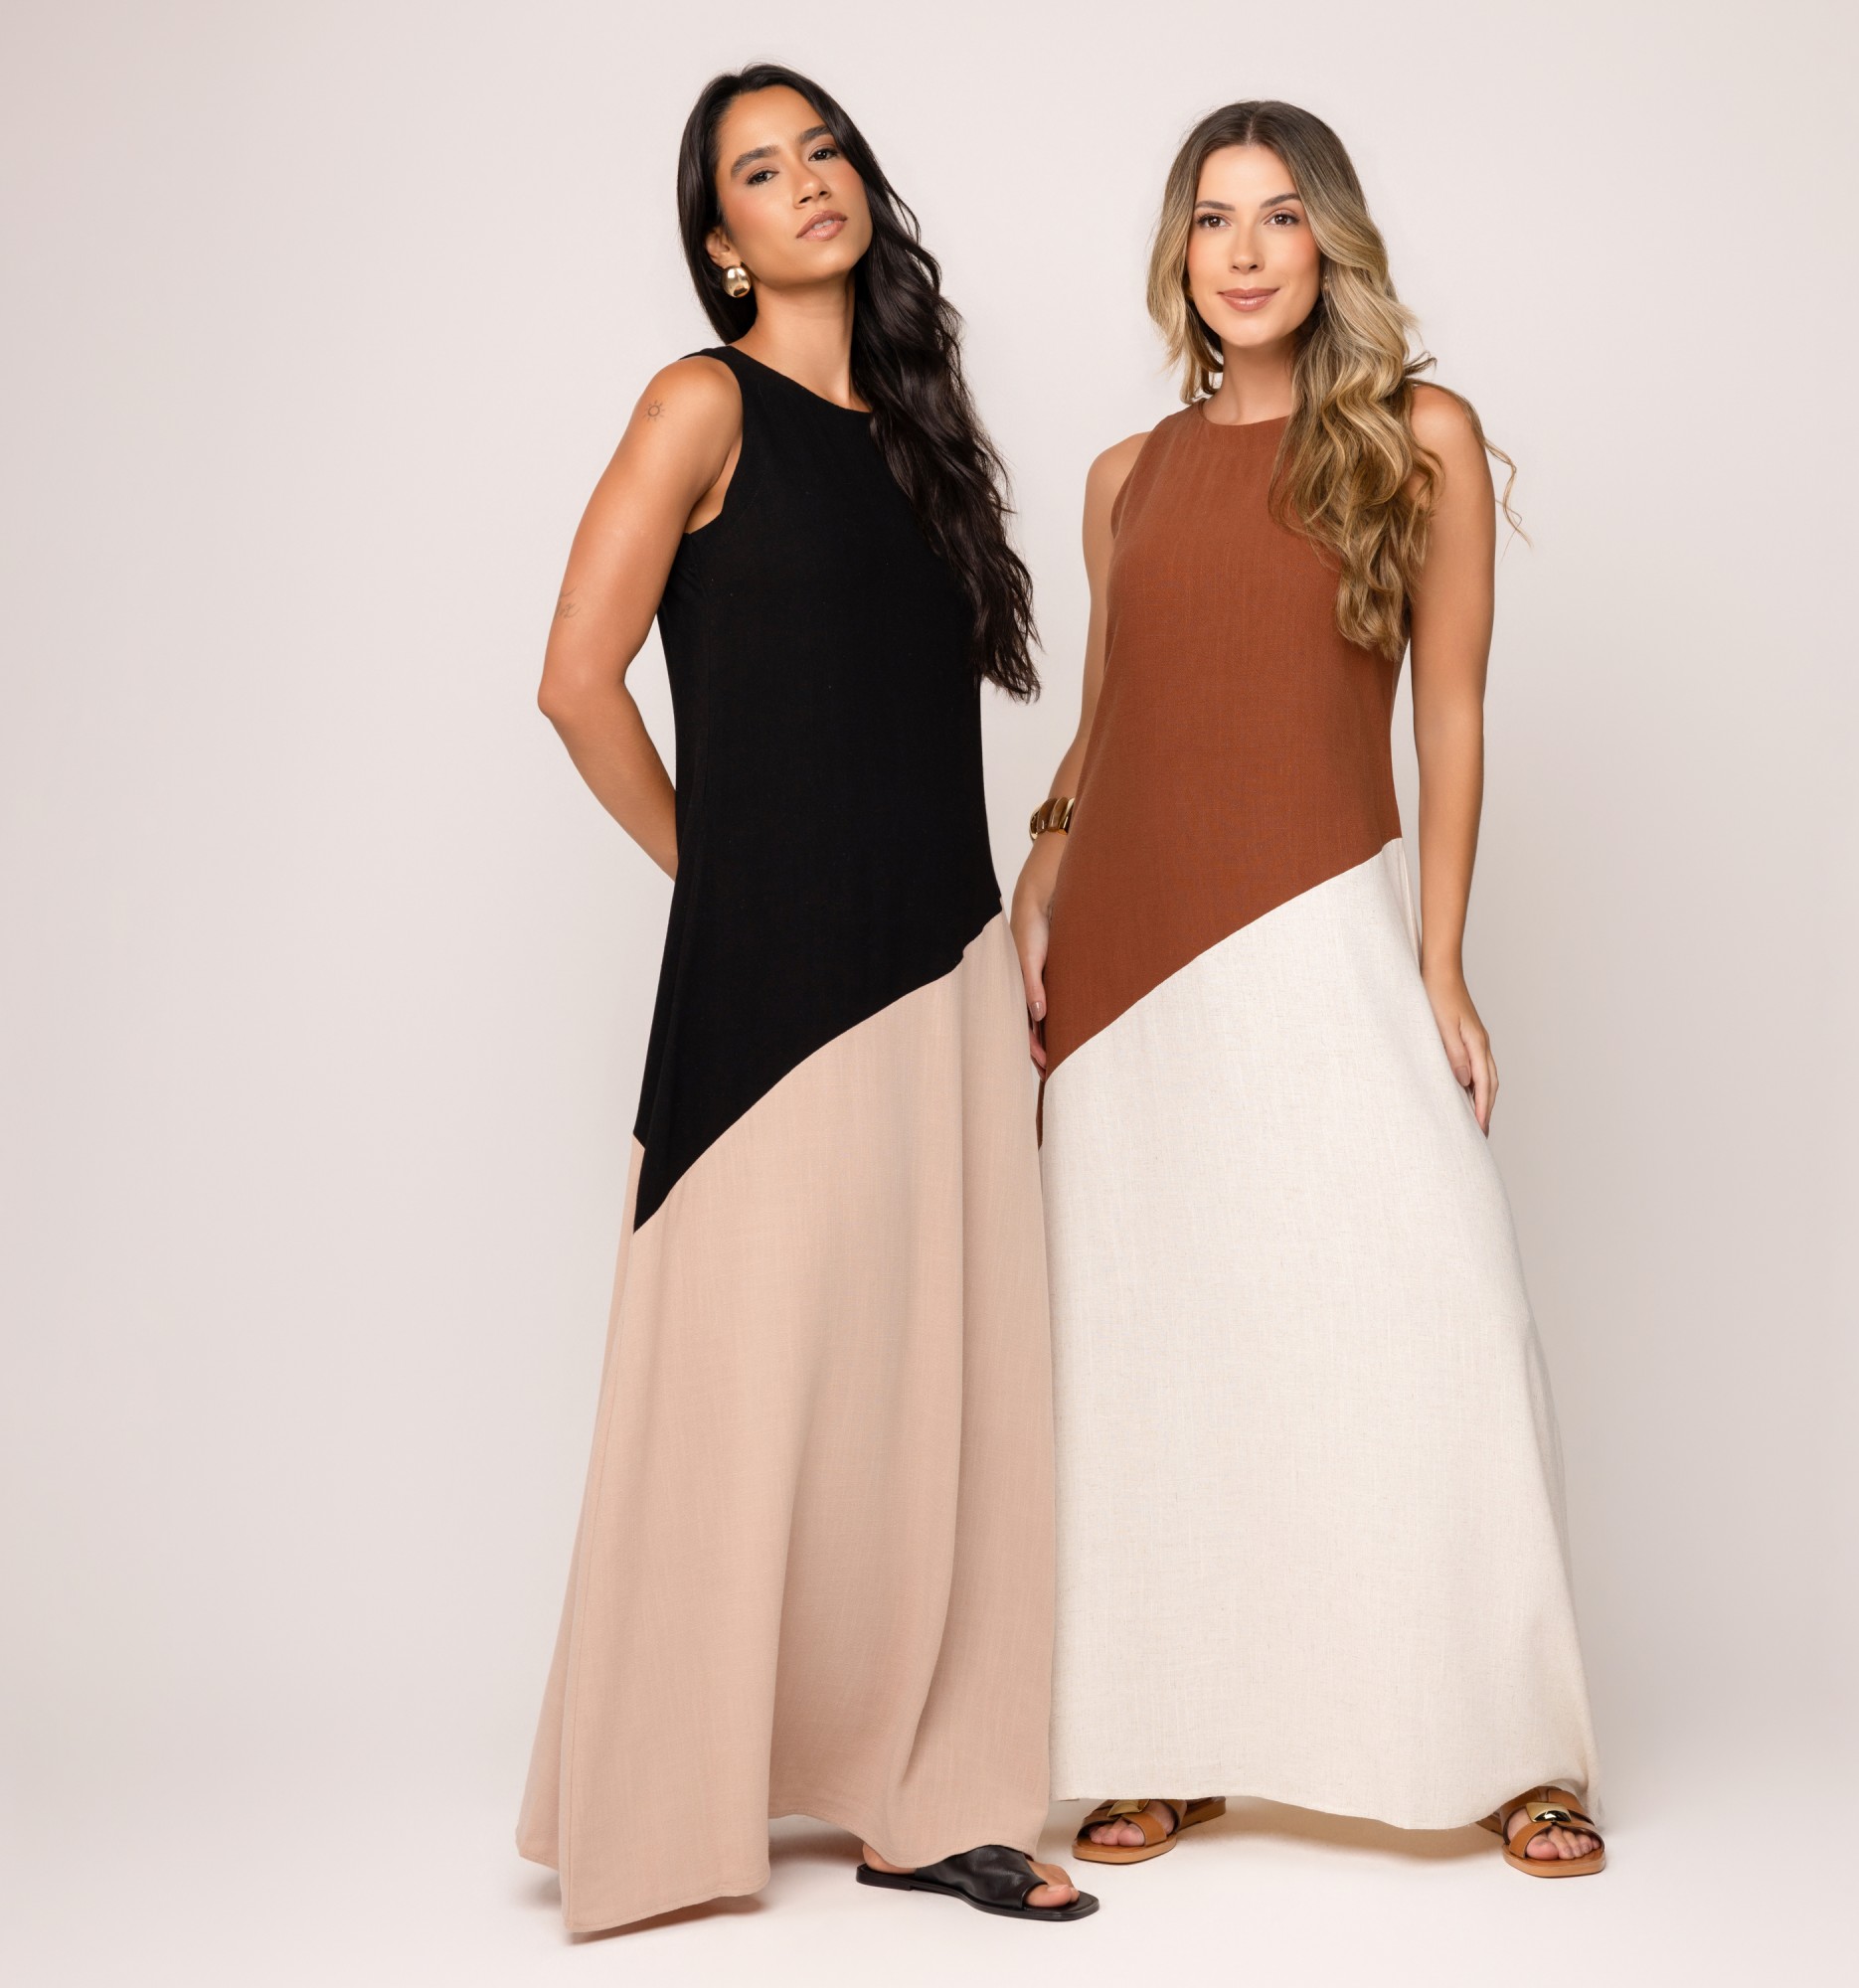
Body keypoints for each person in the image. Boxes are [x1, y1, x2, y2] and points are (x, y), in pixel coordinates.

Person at [517, 64, 1093, 1929]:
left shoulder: (924, 432)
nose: (807, 184)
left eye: (823, 150)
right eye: (761, 173)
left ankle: (921, 1795)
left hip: (945, 958)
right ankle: (662, 1803)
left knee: (932, 1384)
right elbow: (576, 677)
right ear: (724, 242)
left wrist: (1022, 917)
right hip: (775, 978)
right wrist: (720, 872)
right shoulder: (699, 403)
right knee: (740, 1370)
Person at [1013, 99, 1604, 1880]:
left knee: (1432, 1311)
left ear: (1330, 242)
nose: (1247, 250)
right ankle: (1162, 1739)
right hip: (1128, 957)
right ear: (1179, 255)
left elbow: (1453, 711)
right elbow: (1107, 720)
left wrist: (1440, 957)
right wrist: (1042, 870)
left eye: (1280, 215)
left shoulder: (1418, 437)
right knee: (1156, 1344)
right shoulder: (1123, 475)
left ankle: (1511, 1745)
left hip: (1325, 920)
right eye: (1214, 218)